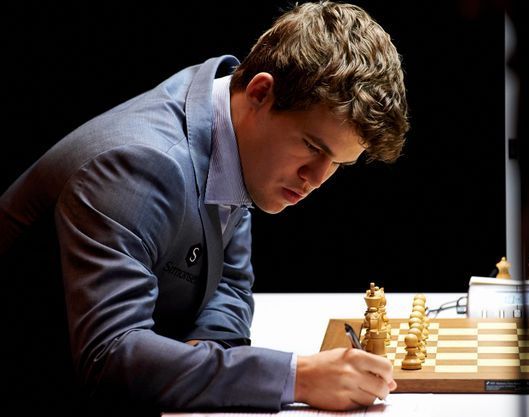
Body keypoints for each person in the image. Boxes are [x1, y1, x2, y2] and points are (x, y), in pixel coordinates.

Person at [0, 1, 408, 414]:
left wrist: (206, 359)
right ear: (260, 92)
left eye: (338, 164)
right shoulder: (140, 166)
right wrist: (297, 377)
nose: (317, 178)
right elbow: (109, 355)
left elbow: (229, 283)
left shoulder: (228, 127)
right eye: (312, 146)